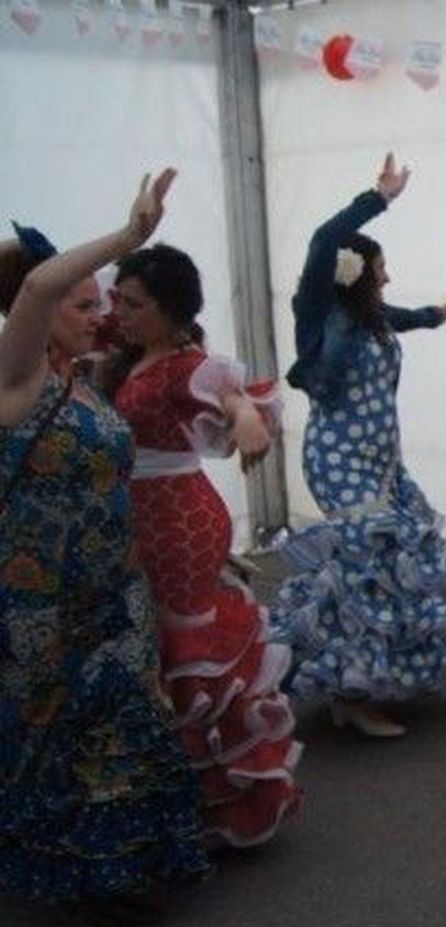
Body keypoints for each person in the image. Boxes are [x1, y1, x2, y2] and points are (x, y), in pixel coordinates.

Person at [1, 176, 211, 919]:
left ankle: (123, 862)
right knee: (62, 729)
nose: (101, 318)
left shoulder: (86, 379)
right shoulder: (15, 381)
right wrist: (128, 240)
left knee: (125, 719)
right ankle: (85, 872)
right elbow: (30, 290)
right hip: (45, 600)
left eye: (102, 305)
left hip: (114, 587)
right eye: (85, 305)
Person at [272, 153, 446, 737]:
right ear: (354, 271)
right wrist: (378, 198)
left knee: (390, 560)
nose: (387, 277)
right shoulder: (317, 314)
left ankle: (358, 681)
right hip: (338, 458)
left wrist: (438, 315)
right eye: (380, 269)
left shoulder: (370, 315)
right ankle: (353, 692)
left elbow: (403, 317)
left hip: (382, 461)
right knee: (365, 563)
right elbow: (321, 239)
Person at [107, 241, 303, 847]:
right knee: (163, 644)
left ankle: (224, 798)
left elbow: (237, 401)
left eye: (133, 304)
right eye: (117, 300)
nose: (120, 312)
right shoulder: (130, 357)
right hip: (146, 514)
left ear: (170, 310)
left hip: (179, 519)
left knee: (189, 648)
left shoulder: (191, 364)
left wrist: (247, 421)